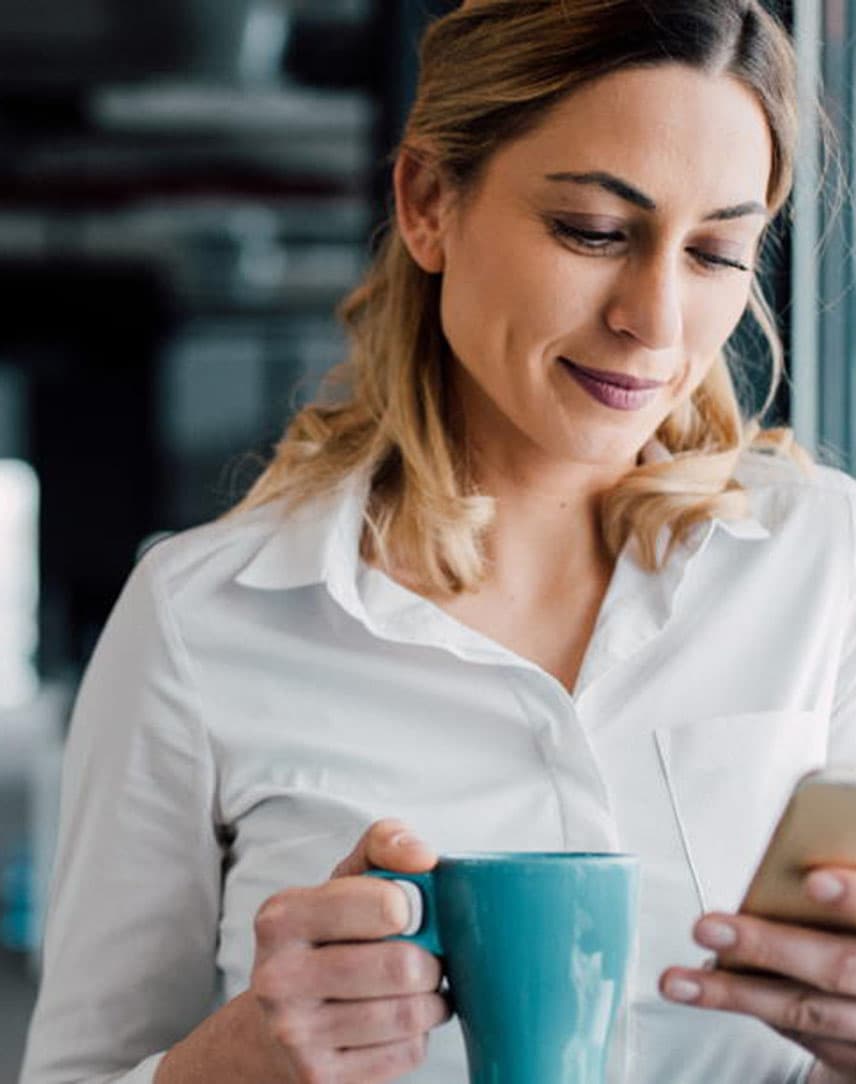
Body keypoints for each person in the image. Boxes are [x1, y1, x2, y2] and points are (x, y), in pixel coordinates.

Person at [18, 1, 856, 1081]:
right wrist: (237, 1061)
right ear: (426, 204)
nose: (654, 320)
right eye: (593, 231)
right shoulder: (199, 620)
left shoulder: (827, 564)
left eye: (715, 252)